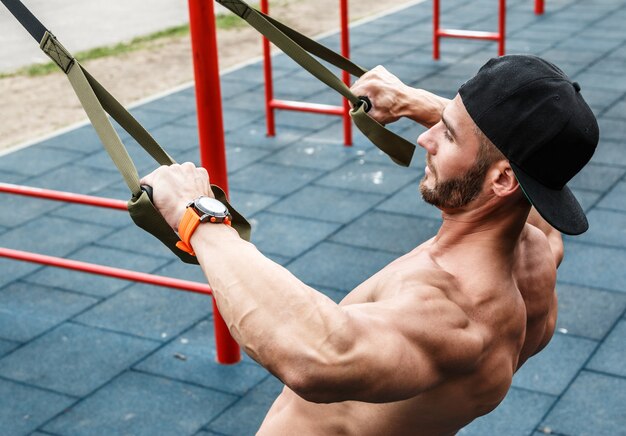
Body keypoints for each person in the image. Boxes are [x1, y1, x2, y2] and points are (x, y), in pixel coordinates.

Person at [140, 55, 598, 435]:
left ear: (502, 178)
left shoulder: (454, 311)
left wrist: (197, 213)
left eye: (448, 133)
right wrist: (414, 102)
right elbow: (527, 175)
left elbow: (317, 355)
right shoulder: (538, 252)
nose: (426, 137)